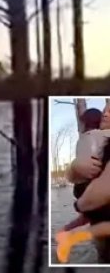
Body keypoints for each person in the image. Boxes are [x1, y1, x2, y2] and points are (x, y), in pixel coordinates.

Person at [58, 107, 110, 262]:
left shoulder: (86, 137)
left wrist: (79, 205)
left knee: (90, 215)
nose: (106, 114)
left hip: (91, 197)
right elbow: (72, 176)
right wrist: (74, 167)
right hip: (95, 203)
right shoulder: (101, 138)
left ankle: (69, 234)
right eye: (105, 111)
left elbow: (101, 192)